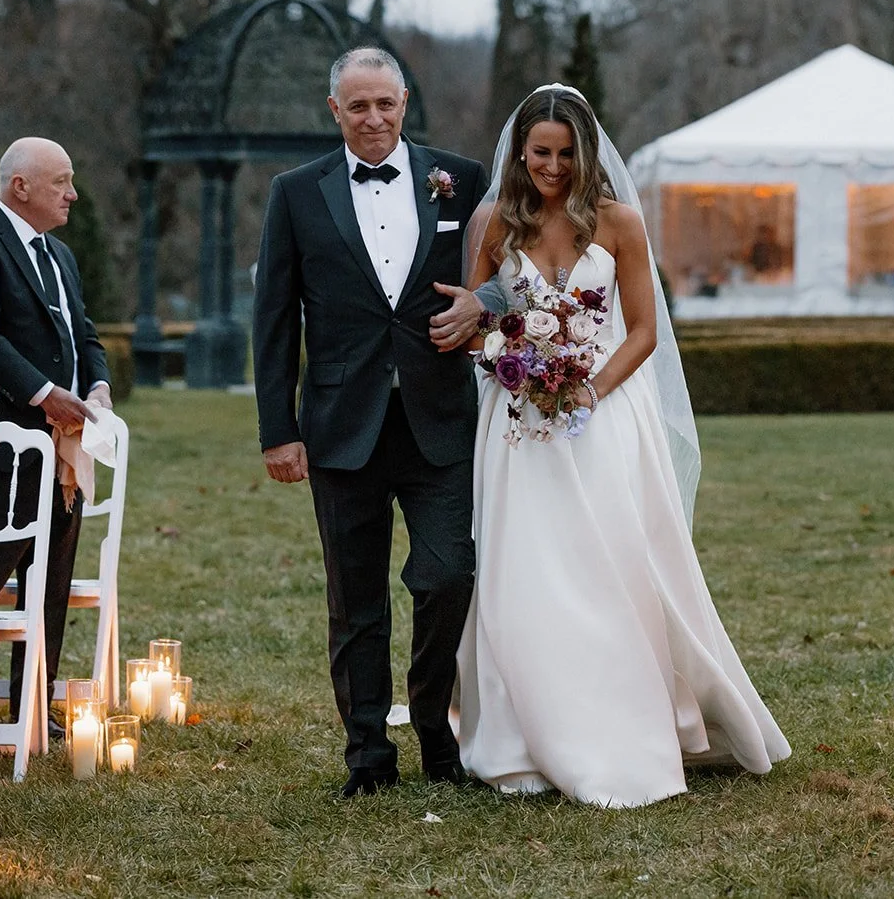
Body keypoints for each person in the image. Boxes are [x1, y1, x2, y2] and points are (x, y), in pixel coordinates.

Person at [456, 85, 790, 806]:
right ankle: (519, 737)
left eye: (566, 154)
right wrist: (507, 354)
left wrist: (587, 386)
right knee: (521, 572)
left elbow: (643, 329)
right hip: (516, 426)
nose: (551, 167)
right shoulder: (492, 220)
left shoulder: (620, 223)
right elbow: (475, 313)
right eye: (540, 152)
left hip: (602, 415)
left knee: (609, 565)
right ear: (520, 151)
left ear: (587, 152)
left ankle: (622, 726)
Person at [252, 46, 490, 796]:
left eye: (385, 103)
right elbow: (273, 319)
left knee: (448, 575)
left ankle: (433, 728)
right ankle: (367, 757)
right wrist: (277, 429)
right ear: (335, 112)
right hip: (339, 426)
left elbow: (515, 276)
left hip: (441, 420)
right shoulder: (296, 193)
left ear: (405, 101)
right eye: (358, 106)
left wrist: (487, 306)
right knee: (355, 601)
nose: (374, 118)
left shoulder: (463, 179)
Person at [0, 137, 111, 733]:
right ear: (20, 187)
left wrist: (98, 386)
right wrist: (44, 393)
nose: (72, 193)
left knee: (51, 578)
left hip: (65, 448)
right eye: (61, 182)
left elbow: (86, 333)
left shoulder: (61, 255)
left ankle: (34, 708)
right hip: (11, 446)